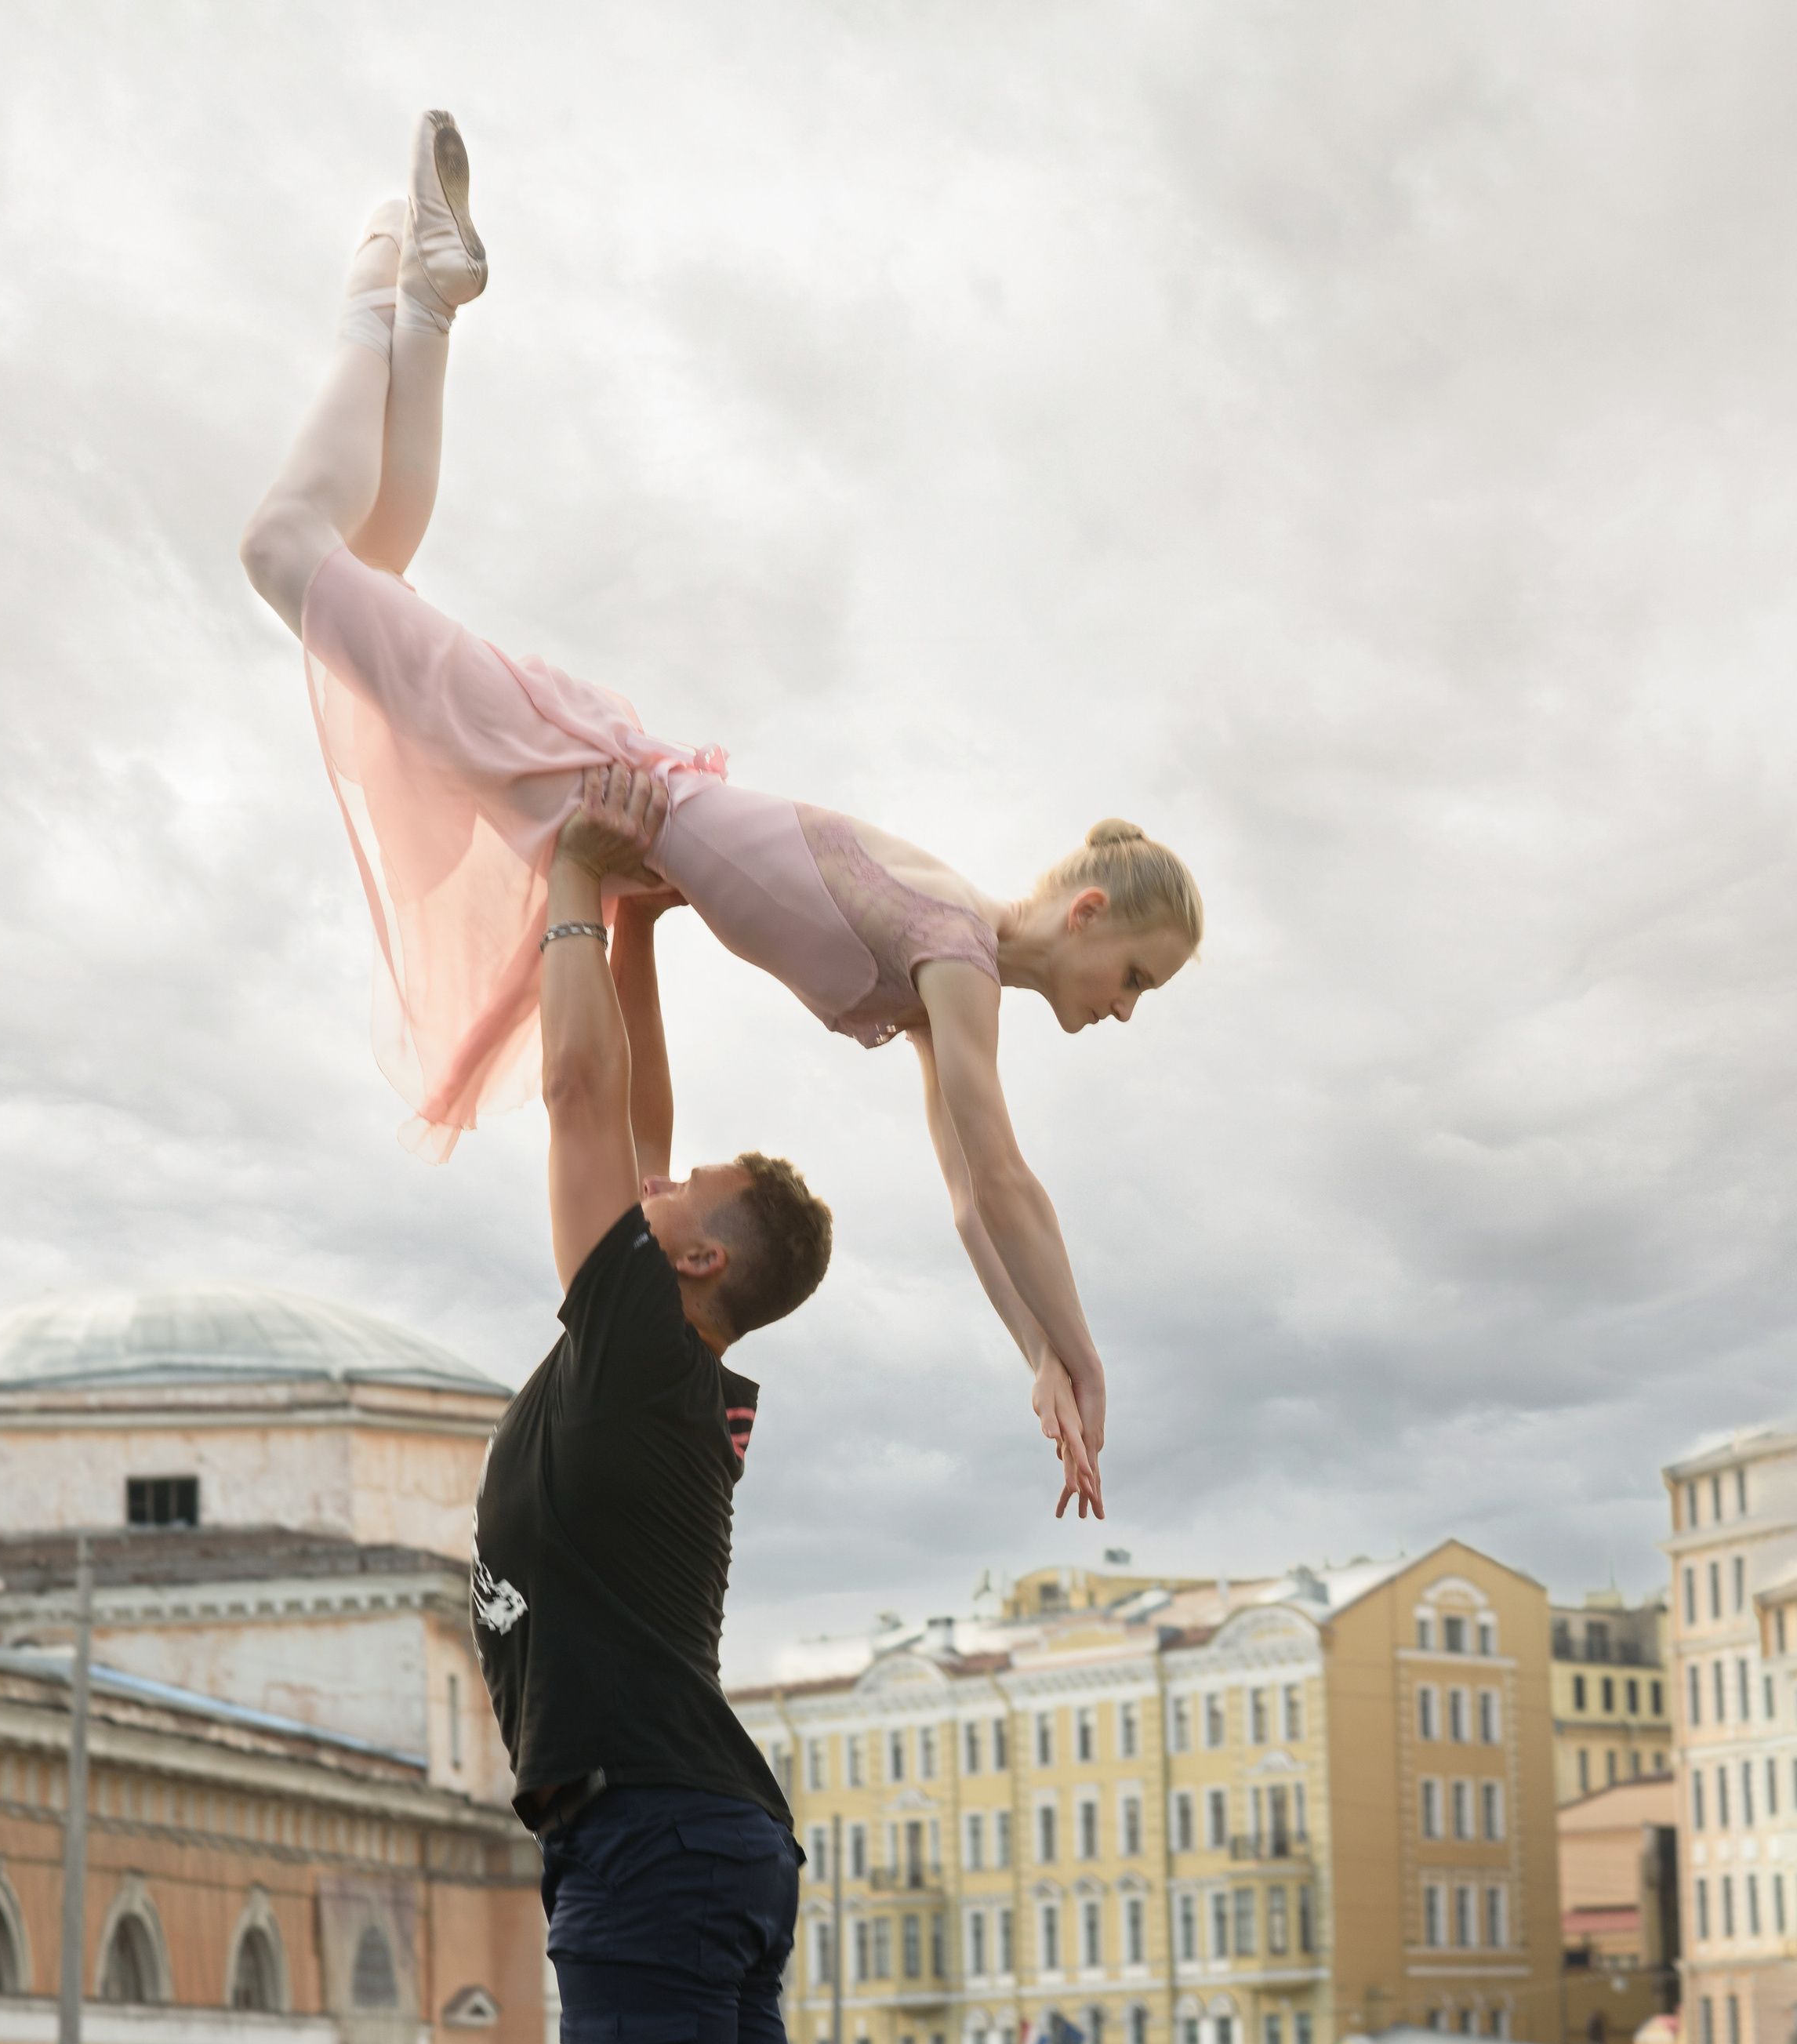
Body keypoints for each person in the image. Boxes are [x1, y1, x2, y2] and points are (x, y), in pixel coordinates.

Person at [239, 111, 1205, 1522]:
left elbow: (964, 1193)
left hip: (610, 807)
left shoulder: (952, 985)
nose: (1126, 1009)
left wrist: (1035, 1358)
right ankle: (394, 287)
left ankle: (416, 290)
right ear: (1088, 913)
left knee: (360, 565)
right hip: (598, 785)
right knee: (291, 553)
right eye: (1139, 978)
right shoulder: (956, 949)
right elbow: (1004, 1173)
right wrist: (1085, 1353)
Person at [452, 756, 920, 2044]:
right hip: (706, 1840)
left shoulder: (648, 1349)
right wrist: (637, 939)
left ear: (701, 1267)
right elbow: (625, 1113)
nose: (635, 1204)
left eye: (671, 1212)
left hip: (647, 1845)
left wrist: (568, 886)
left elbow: (578, 1110)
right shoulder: (656, 1360)